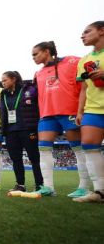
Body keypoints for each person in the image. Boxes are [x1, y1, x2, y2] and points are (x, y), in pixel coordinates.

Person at [32, 41, 90, 197]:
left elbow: (90, 66)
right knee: (43, 149)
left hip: (69, 111)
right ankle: (49, 187)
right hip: (47, 115)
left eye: (35, 54)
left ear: (46, 51)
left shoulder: (71, 61)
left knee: (78, 149)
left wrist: (81, 109)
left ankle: (84, 186)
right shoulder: (39, 73)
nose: (33, 58)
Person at [74, 21, 104, 203]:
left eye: (87, 31)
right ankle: (100, 191)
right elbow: (83, 89)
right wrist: (80, 111)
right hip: (93, 109)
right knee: (89, 144)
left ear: (102, 31)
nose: (82, 35)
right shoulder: (84, 60)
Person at [0, 71, 43, 192]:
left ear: (13, 79)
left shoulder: (27, 90)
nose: (3, 83)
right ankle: (20, 185)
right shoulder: (3, 94)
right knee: (15, 159)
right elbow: (2, 112)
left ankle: (40, 184)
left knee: (34, 157)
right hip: (10, 131)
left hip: (27, 128)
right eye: (2, 81)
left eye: (5, 80)